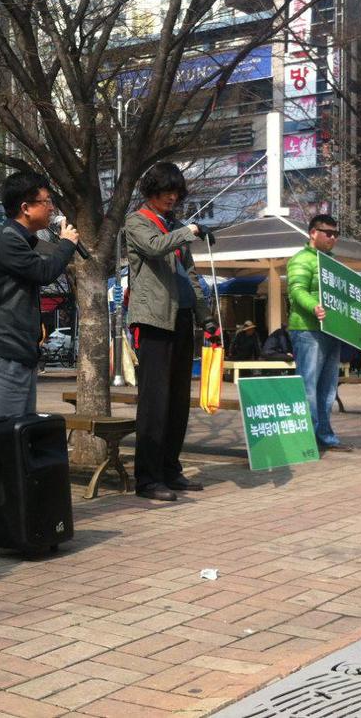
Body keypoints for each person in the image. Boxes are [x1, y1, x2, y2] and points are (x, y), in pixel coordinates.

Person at [0, 171, 78, 541]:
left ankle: (7, 512)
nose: (51, 208)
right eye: (46, 202)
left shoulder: (22, 241)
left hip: (19, 357)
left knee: (13, 440)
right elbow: (45, 272)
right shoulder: (7, 240)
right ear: (25, 208)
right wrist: (66, 243)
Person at [125, 162, 217, 501]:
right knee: (154, 401)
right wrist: (188, 231)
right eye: (166, 190)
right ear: (151, 191)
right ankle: (147, 479)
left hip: (180, 319)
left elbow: (190, 276)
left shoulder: (175, 226)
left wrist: (206, 317)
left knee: (178, 400)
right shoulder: (136, 221)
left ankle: (170, 469)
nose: (172, 197)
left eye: (176, 192)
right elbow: (153, 247)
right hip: (152, 320)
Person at [287, 213, 354, 453]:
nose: (333, 238)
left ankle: (324, 435)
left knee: (327, 388)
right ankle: (307, 437)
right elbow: (296, 290)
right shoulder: (301, 260)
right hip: (307, 330)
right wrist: (314, 307)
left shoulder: (333, 263)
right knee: (308, 385)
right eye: (328, 233)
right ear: (313, 233)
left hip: (332, 329)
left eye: (336, 234)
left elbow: (345, 295)